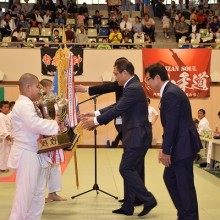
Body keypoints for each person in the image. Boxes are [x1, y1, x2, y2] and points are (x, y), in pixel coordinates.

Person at [80, 58, 157, 217]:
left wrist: (95, 121)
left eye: (116, 74)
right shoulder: (131, 86)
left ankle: (148, 199)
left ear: (125, 72)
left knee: (126, 168)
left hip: (137, 134)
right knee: (130, 168)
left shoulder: (134, 88)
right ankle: (128, 206)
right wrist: (95, 113)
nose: (115, 78)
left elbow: (118, 108)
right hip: (132, 133)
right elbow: (117, 106)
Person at [145, 63, 202, 220]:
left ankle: (189, 216)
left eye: (148, 79)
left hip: (182, 146)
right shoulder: (169, 92)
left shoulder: (171, 93)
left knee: (185, 185)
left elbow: (172, 125)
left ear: (157, 78)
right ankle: (183, 213)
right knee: (170, 178)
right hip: (179, 144)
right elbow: (170, 125)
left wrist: (166, 150)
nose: (147, 83)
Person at [7, 73, 59, 220]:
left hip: (36, 152)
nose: (40, 90)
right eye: (37, 86)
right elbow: (34, 125)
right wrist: (54, 123)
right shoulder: (23, 104)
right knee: (25, 196)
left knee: (37, 194)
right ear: (28, 87)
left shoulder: (29, 104)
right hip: (27, 154)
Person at [40, 79, 67, 203]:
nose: (51, 90)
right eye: (50, 87)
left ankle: (53, 193)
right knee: (44, 167)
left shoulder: (53, 101)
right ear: (44, 87)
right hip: (44, 137)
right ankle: (39, 195)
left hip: (54, 134)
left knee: (55, 166)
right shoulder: (38, 102)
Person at [0, 101, 12, 172]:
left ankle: (4, 167)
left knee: (6, 152)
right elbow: (3, 127)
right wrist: (7, 135)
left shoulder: (6, 116)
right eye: (5, 107)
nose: (7, 109)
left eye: (7, 107)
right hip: (3, 137)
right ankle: (2, 168)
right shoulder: (1, 116)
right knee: (3, 152)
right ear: (0, 108)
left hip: (7, 135)